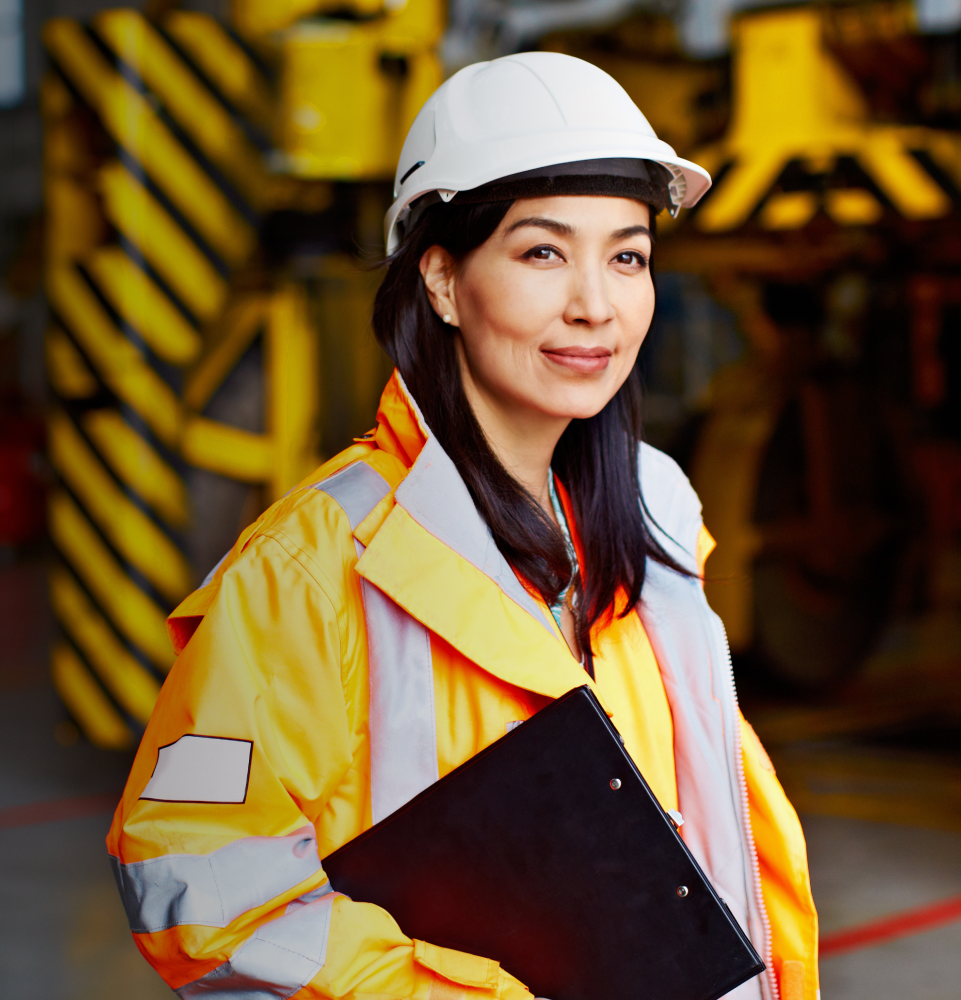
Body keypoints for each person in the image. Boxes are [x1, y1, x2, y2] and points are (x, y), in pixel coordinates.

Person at [105, 52, 819, 1000]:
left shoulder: (653, 522)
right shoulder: (309, 572)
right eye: (542, 252)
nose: (596, 305)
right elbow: (198, 886)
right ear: (441, 280)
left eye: (628, 255)